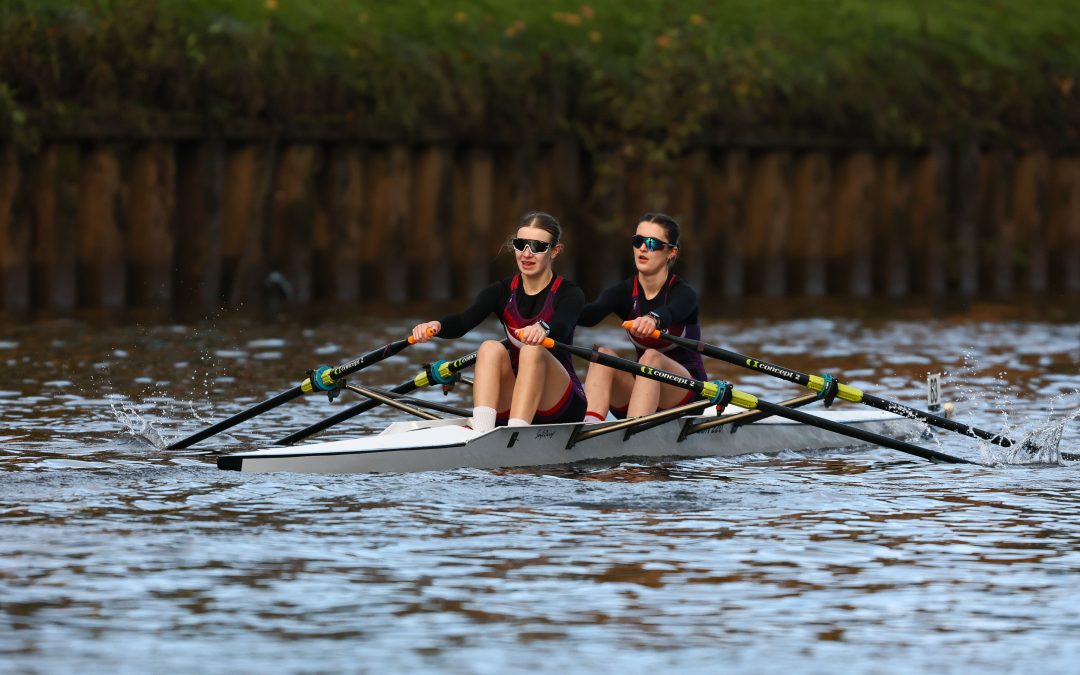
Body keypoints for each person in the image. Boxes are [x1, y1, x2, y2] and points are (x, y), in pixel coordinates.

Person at [410, 211, 587, 432]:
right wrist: (436, 326)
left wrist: (543, 328)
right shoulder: (501, 291)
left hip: (561, 404)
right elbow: (463, 321)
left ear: (555, 251)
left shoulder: (570, 293)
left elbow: (563, 326)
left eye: (537, 247)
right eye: (521, 245)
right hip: (515, 398)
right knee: (490, 347)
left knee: (533, 350)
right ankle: (482, 432)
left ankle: (515, 433)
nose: (527, 254)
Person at [577, 212, 707, 422]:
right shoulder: (623, 292)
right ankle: (588, 426)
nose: (643, 248)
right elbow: (589, 315)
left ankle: (634, 429)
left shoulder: (683, 293)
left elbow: (671, 311)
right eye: (638, 241)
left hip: (686, 395)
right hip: (642, 388)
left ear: (671, 252)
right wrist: (557, 307)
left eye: (653, 243)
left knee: (651, 357)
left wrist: (653, 319)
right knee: (603, 355)